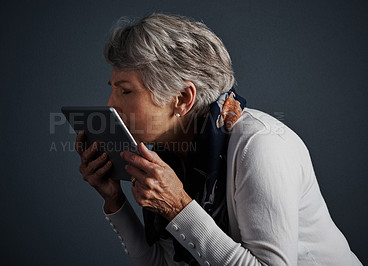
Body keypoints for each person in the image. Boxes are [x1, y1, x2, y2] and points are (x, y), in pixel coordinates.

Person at [75, 13, 362, 265]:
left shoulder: (261, 146)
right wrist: (115, 200)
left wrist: (179, 207)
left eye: (125, 91)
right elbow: (162, 263)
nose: (110, 104)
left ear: (183, 99)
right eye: (112, 88)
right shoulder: (169, 155)